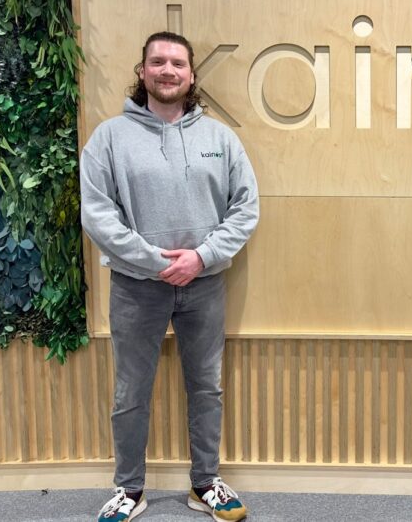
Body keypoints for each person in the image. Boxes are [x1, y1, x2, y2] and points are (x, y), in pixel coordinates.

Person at [81, 31, 259, 522]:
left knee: (206, 387)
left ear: (192, 75)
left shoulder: (221, 139)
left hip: (204, 285)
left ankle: (205, 484)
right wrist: (158, 262)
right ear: (142, 72)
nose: (167, 70)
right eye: (157, 61)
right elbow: (98, 216)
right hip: (137, 287)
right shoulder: (109, 139)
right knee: (130, 391)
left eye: (177, 63)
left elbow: (245, 209)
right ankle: (130, 490)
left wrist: (200, 258)